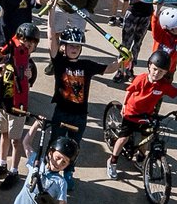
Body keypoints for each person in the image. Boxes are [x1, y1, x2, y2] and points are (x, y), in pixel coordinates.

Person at [105, 49, 177, 179]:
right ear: (149, 66)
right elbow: (129, 91)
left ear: (165, 73)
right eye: (154, 69)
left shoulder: (163, 85)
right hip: (131, 113)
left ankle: (140, 159)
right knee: (123, 138)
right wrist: (124, 105)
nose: (156, 73)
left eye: (161, 71)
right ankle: (112, 161)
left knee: (146, 138)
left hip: (146, 115)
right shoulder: (141, 79)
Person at [45, 27, 124, 159]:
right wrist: (52, 11)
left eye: (77, 46)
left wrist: (122, 60)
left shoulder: (87, 65)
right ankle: (48, 167)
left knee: (74, 146)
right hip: (61, 113)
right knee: (55, 142)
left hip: (80, 116)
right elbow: (51, 37)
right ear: (63, 46)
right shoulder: (59, 62)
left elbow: (109, 68)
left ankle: (68, 172)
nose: (74, 49)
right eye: (71, 46)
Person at [0, 21, 41, 190]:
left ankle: (14, 170)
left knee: (16, 141)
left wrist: (28, 76)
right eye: (23, 43)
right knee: (3, 135)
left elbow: (28, 84)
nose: (26, 47)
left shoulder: (30, 66)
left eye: (31, 45)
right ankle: (2, 164)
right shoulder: (8, 60)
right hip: (3, 106)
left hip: (18, 109)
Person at [112, 0, 159, 83]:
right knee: (125, 45)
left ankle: (130, 69)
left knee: (137, 45)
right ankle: (120, 70)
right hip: (132, 13)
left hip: (146, 15)